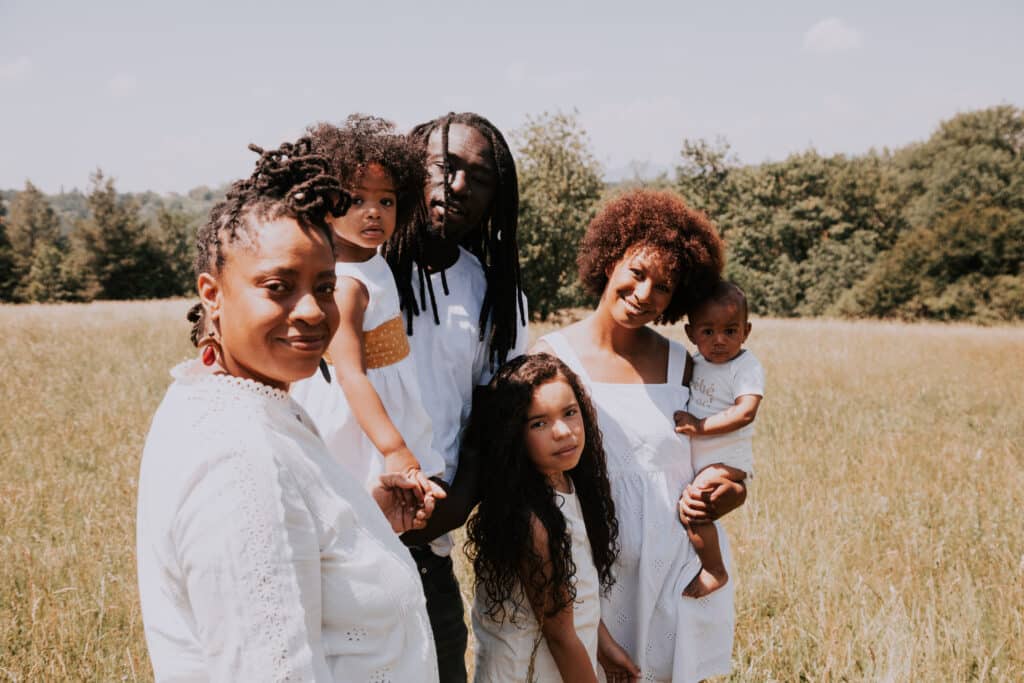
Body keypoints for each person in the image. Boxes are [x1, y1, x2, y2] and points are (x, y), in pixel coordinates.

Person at [136, 137, 439, 682]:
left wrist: (359, 522)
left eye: (324, 287)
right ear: (212, 293)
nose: (311, 311)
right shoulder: (239, 462)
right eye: (277, 287)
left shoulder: (246, 399)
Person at [532, 189, 747, 683]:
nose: (646, 293)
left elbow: (723, 456)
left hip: (672, 568)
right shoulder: (551, 357)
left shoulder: (685, 366)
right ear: (610, 258)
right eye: (638, 271)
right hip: (590, 567)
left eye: (666, 286)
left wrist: (730, 492)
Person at [383, 112, 529, 682]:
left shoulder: (494, 293)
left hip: (428, 547)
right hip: (341, 535)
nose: (459, 186)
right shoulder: (354, 273)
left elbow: (493, 419)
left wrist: (458, 501)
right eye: (445, 166)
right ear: (410, 168)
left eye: (480, 177)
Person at [291, 115, 446, 504]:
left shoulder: (373, 262)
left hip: (387, 400)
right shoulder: (347, 285)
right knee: (359, 507)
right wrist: (393, 448)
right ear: (327, 206)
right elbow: (350, 375)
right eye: (356, 199)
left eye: (386, 201)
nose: (373, 212)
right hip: (359, 422)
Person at [465, 354, 637, 683]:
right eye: (539, 423)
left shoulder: (566, 482)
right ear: (513, 434)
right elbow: (559, 635)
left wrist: (603, 645)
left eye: (570, 413)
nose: (563, 431)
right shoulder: (533, 520)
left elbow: (568, 595)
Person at [673, 281, 764, 598]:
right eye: (708, 332)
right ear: (690, 333)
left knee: (694, 506)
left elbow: (745, 413)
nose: (720, 340)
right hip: (701, 460)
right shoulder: (695, 364)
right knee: (693, 505)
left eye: (730, 330)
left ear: (746, 331)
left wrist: (699, 426)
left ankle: (714, 569)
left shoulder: (745, 366)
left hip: (726, 460)